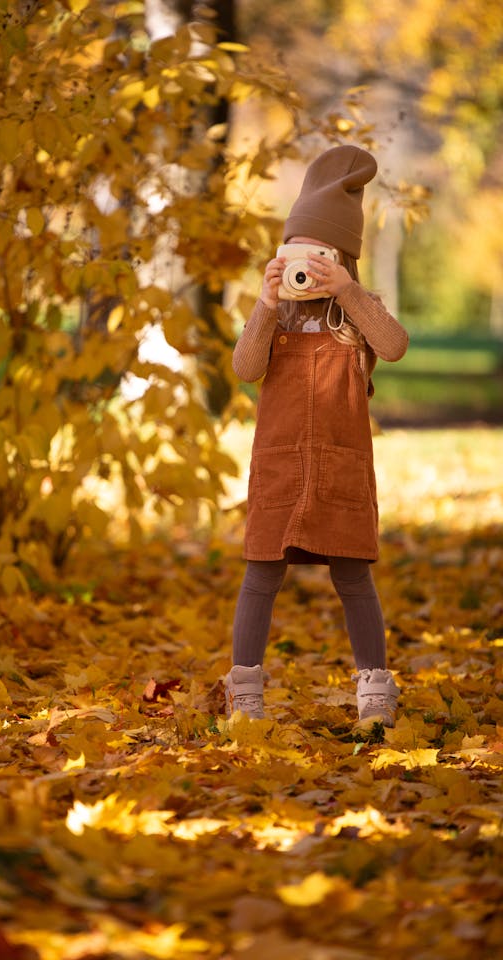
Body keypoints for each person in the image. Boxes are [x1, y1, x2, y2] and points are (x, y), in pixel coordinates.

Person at [225, 144, 408, 727]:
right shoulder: (275, 315)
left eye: (319, 256)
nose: (306, 267)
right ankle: (245, 692)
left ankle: (375, 692)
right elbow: (245, 368)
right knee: (261, 571)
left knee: (352, 573)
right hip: (280, 462)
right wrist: (264, 301)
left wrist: (349, 292)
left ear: (342, 257)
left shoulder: (356, 312)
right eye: (295, 253)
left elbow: (396, 346)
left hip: (340, 464)